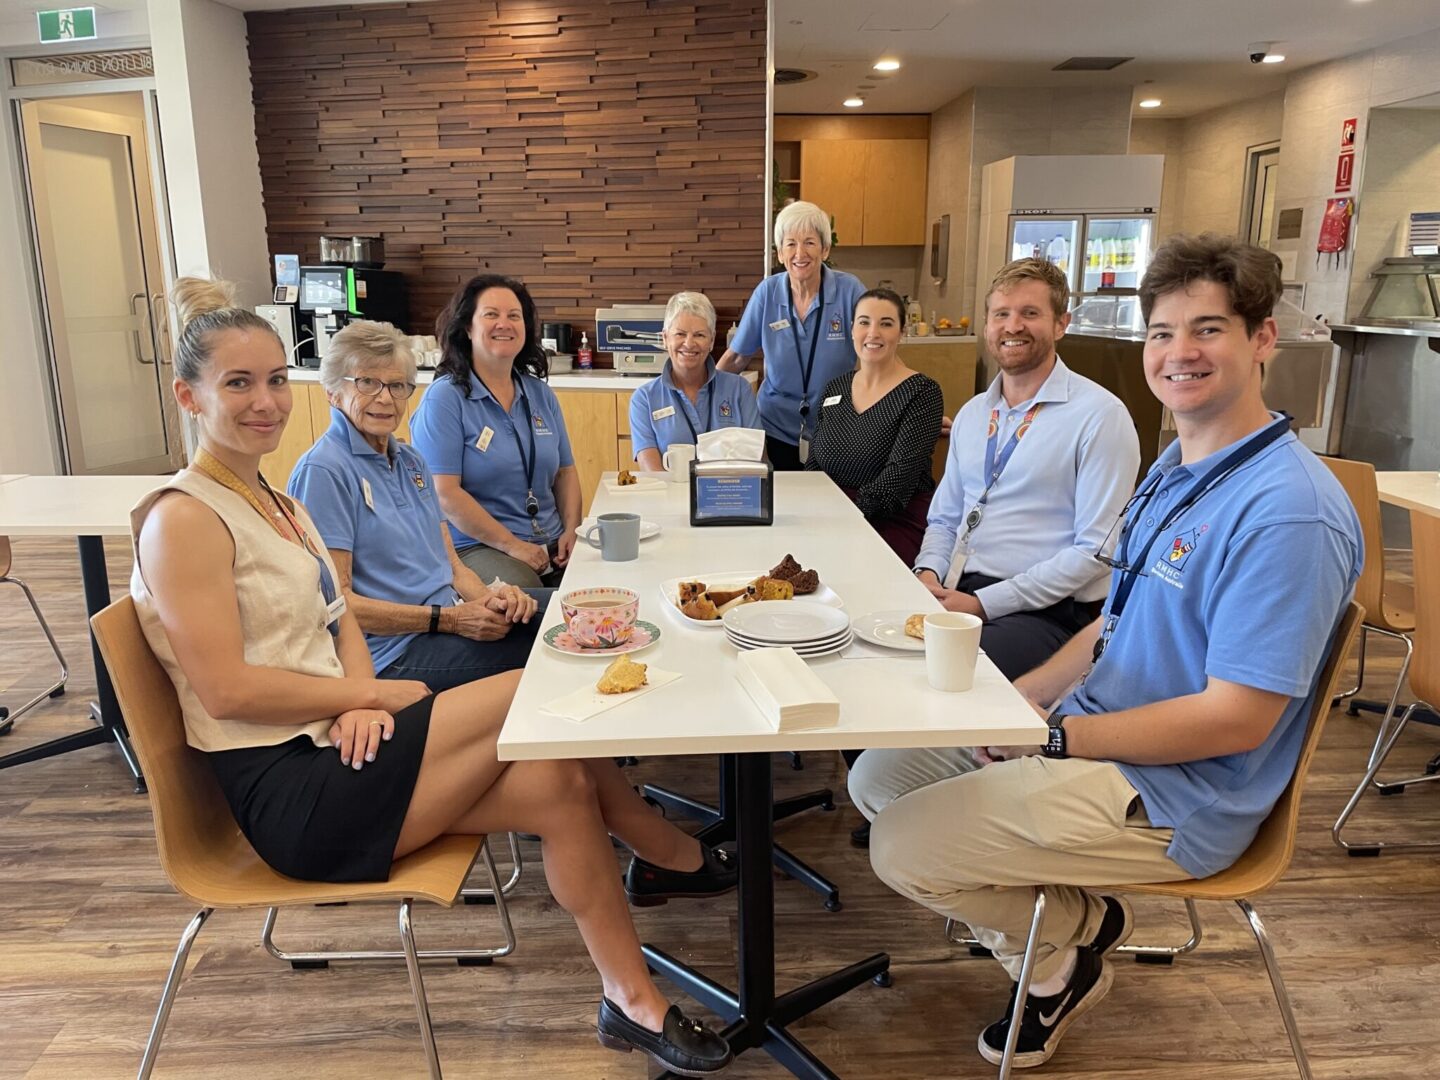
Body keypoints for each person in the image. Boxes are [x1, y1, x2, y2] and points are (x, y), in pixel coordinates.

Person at [131, 277, 737, 1076]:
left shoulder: (276, 501)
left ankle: (632, 1003)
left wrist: (357, 697)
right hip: (294, 792)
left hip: (345, 744)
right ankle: (659, 852)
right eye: (238, 383)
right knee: (542, 691)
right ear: (188, 395)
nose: (266, 401)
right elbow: (226, 692)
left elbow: (336, 614)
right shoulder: (185, 518)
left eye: (276, 379)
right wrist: (367, 691)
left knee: (557, 785)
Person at [850, 234, 1364, 1070]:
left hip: (1174, 796)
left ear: (1262, 338)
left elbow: (1234, 721)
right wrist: (1030, 702)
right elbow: (1111, 624)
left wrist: (1054, 738)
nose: (1178, 354)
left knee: (901, 848)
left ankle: (1081, 936)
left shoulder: (1287, 513)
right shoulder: (1179, 467)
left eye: (1208, 330)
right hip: (1092, 732)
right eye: (1162, 333)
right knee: (879, 777)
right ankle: (1056, 955)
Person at [914, 257, 1141, 682]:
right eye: (1002, 314)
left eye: (1030, 313)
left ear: (1061, 324)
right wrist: (927, 575)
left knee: (934, 678)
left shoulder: (1099, 416)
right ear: (987, 325)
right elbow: (945, 518)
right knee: (872, 661)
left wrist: (985, 603)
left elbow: (1095, 552)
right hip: (960, 589)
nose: (1013, 326)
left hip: (1046, 612)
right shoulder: (973, 413)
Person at [289, 320, 544, 694]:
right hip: (392, 653)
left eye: (396, 386)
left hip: (446, 617)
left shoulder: (411, 462)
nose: (384, 398)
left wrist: (495, 599)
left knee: (573, 612)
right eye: (366, 382)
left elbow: (453, 568)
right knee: (550, 651)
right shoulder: (325, 471)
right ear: (332, 391)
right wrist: (451, 620)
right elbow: (339, 604)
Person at [410, 275, 579, 588]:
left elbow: (565, 473)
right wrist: (512, 545)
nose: (505, 323)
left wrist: (572, 530)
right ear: (467, 327)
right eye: (491, 314)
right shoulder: (444, 399)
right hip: (478, 548)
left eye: (514, 316)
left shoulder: (539, 394)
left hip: (553, 544)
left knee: (609, 585)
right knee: (527, 604)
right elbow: (444, 494)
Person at [716, 200, 866, 470]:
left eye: (809, 242)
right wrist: (705, 398)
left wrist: (907, 405)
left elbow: (876, 355)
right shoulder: (767, 293)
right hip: (773, 427)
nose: (800, 253)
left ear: (825, 248)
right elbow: (737, 358)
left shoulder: (850, 291)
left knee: (827, 506)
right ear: (780, 253)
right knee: (780, 505)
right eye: (790, 243)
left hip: (836, 428)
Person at [804, 287, 943, 566]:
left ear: (902, 332)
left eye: (886, 324)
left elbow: (896, 482)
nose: (873, 333)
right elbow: (814, 465)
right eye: (864, 322)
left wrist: (841, 519)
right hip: (832, 514)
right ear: (852, 329)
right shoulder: (836, 388)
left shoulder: (921, 393)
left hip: (894, 517)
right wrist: (819, 514)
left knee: (851, 566)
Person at [630, 291, 760, 471]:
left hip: (729, 495)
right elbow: (653, 474)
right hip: (670, 497)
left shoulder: (739, 389)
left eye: (699, 335)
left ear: (712, 340)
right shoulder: (644, 399)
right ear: (665, 338)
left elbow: (757, 460)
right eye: (680, 334)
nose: (689, 344)